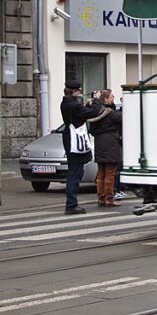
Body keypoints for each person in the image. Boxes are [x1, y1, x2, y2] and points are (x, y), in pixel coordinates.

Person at [60, 79, 103, 214]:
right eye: (78, 91)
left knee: (75, 171)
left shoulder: (66, 103)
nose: (79, 93)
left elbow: (82, 113)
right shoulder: (74, 105)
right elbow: (93, 113)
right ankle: (71, 204)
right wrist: (96, 100)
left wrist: (87, 105)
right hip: (74, 140)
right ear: (74, 91)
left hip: (69, 137)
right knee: (75, 173)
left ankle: (71, 203)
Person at [88, 89, 122, 207]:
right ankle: (109, 198)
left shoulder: (95, 112)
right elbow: (123, 118)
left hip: (99, 144)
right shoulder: (110, 113)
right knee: (110, 173)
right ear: (106, 99)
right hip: (111, 144)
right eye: (111, 97)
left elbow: (91, 130)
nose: (113, 98)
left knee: (101, 173)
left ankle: (101, 197)